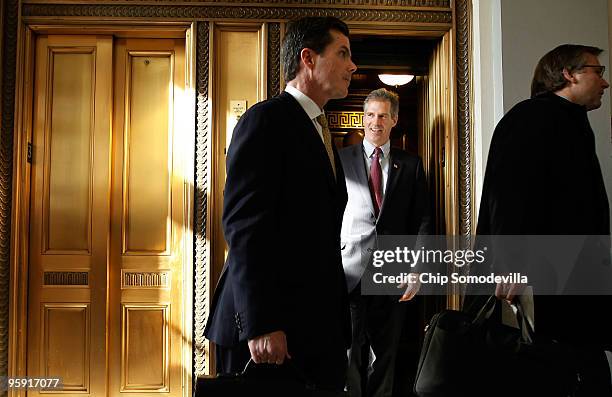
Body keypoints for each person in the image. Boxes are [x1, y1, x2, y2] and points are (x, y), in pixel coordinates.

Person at [203, 16, 357, 391]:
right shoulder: (266, 120)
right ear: (308, 57)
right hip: (269, 335)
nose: (353, 66)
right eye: (343, 53)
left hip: (310, 328)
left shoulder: (320, 129)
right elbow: (245, 227)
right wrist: (261, 322)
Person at [476, 44, 612, 395]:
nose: (604, 81)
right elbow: (506, 198)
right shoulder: (530, 118)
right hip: (543, 283)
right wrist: (511, 265)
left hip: (572, 282)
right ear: (569, 74)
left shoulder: (571, 121)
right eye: (597, 71)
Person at [339, 88, 431, 397]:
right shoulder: (340, 159)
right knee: (348, 352)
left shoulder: (412, 164)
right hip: (348, 270)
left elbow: (422, 221)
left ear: (394, 120)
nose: (374, 122)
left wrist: (417, 270)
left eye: (381, 116)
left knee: (384, 355)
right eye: (369, 115)